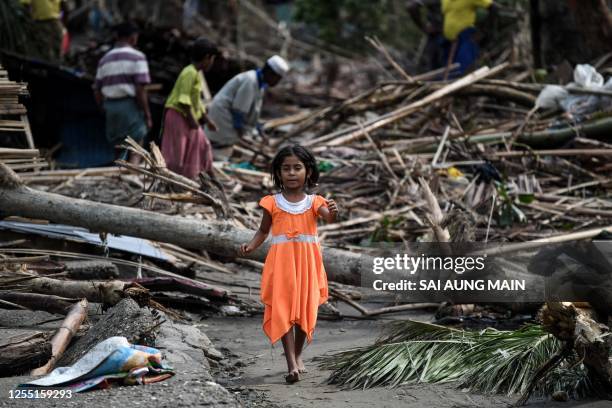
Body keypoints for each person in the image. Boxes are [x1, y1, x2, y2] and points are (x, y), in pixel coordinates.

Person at [240, 145, 338, 384]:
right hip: (282, 263)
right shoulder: (272, 202)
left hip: (307, 263)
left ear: (308, 171)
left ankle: (297, 353)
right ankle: (291, 364)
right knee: (282, 308)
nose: (292, 173)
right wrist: (252, 245)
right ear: (278, 172)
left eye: (297, 168)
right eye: (286, 169)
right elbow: (264, 230)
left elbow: (328, 216)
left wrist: (334, 211)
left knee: (306, 308)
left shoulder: (315, 201)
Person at [205, 55, 289, 160]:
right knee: (218, 146)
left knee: (223, 146)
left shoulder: (260, 85)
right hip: (222, 114)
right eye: (277, 79)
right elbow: (238, 111)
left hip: (227, 115)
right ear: (270, 73)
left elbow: (253, 113)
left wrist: (261, 133)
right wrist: (241, 134)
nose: (277, 82)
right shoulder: (250, 81)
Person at [161, 38, 220, 179]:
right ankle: (171, 181)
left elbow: (196, 101)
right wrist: (193, 121)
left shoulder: (196, 74)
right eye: (212, 59)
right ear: (207, 58)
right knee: (177, 153)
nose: (212, 63)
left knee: (202, 145)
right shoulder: (189, 72)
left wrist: (207, 120)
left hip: (187, 116)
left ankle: (208, 178)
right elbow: (184, 100)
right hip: (179, 115)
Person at [94, 22, 152, 164]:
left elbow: (96, 89)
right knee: (136, 147)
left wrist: (103, 107)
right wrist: (147, 113)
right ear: (133, 38)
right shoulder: (138, 57)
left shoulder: (104, 59)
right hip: (129, 106)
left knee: (118, 149)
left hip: (111, 107)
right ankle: (132, 179)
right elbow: (140, 89)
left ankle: (118, 178)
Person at [441, 0, 493, 77]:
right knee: (450, 70)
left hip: (466, 36)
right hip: (450, 41)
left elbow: (493, 8)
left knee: (464, 67)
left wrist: (483, 30)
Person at [408, 0, 444, 71]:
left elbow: (412, 6)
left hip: (458, 35)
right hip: (438, 34)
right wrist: (423, 27)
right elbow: (412, 6)